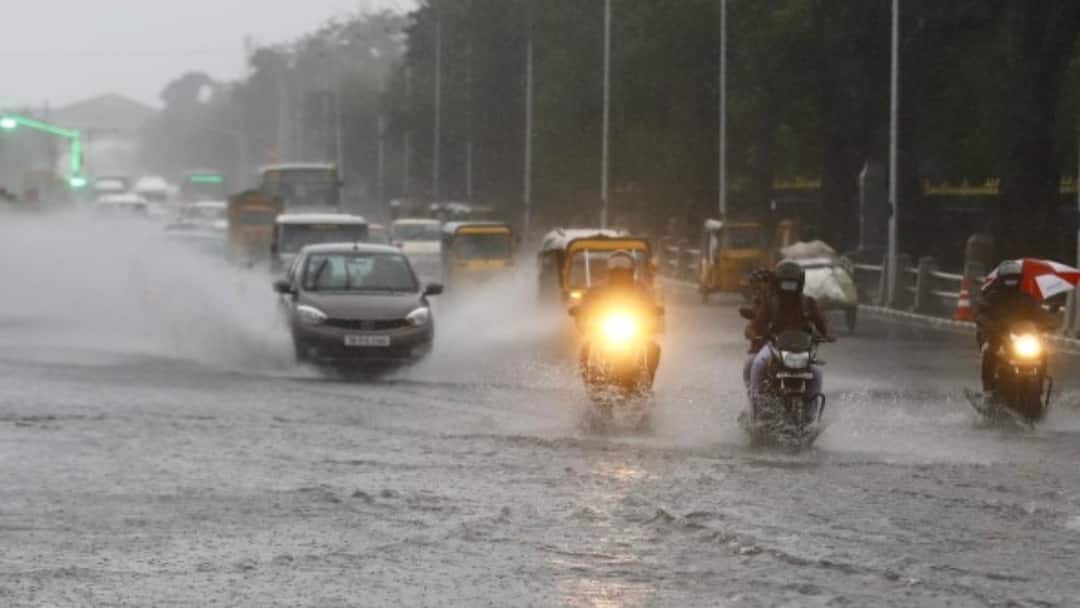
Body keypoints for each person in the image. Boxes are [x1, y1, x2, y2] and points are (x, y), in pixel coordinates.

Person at [744, 260, 833, 398]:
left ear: (800, 283)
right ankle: (756, 403)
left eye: (793, 284)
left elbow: (822, 322)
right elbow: (756, 323)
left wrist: (828, 334)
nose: (789, 288)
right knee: (757, 364)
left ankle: (811, 413)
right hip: (774, 346)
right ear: (778, 283)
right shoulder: (770, 302)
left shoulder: (808, 303)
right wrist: (753, 332)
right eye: (786, 284)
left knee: (816, 373)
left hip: (801, 349)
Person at [575, 251, 663, 383]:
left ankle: (648, 382)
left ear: (631, 270)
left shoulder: (641, 288)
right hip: (603, 330)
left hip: (634, 330)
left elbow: (651, 303)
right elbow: (586, 302)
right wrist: (579, 310)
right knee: (586, 347)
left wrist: (654, 310)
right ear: (609, 270)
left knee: (653, 348)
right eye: (616, 268)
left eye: (623, 268)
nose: (620, 271)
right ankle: (587, 380)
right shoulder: (597, 288)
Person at [975, 260, 1054, 392]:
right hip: (999, 336)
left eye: (1014, 278)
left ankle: (1039, 388)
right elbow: (982, 313)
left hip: (1022, 337)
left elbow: (1039, 313)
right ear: (1001, 279)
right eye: (1008, 278)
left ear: (1020, 279)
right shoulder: (992, 298)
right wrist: (988, 323)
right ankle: (987, 390)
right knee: (989, 352)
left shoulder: (1026, 298)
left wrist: (1049, 321)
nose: (1011, 281)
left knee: (1043, 353)